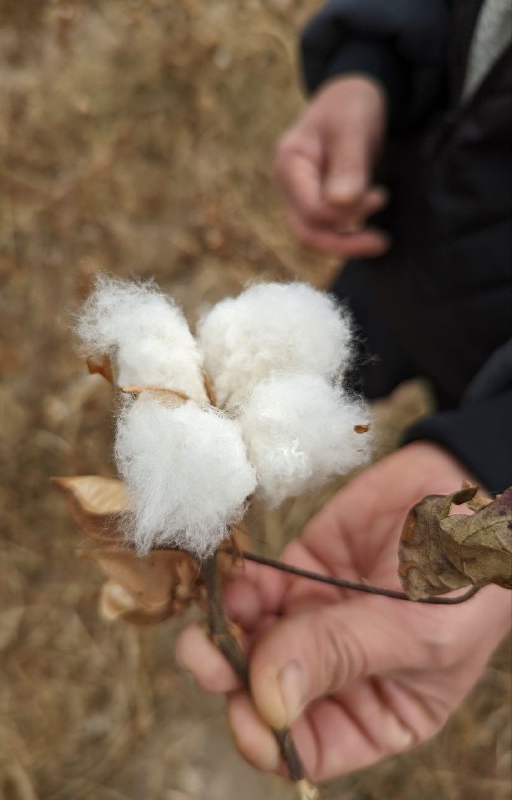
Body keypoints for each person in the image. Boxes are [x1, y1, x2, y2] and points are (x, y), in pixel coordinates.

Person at [176, 0, 512, 783]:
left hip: (489, 359)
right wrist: (371, 68)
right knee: (356, 350)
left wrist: (497, 451)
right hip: (404, 247)